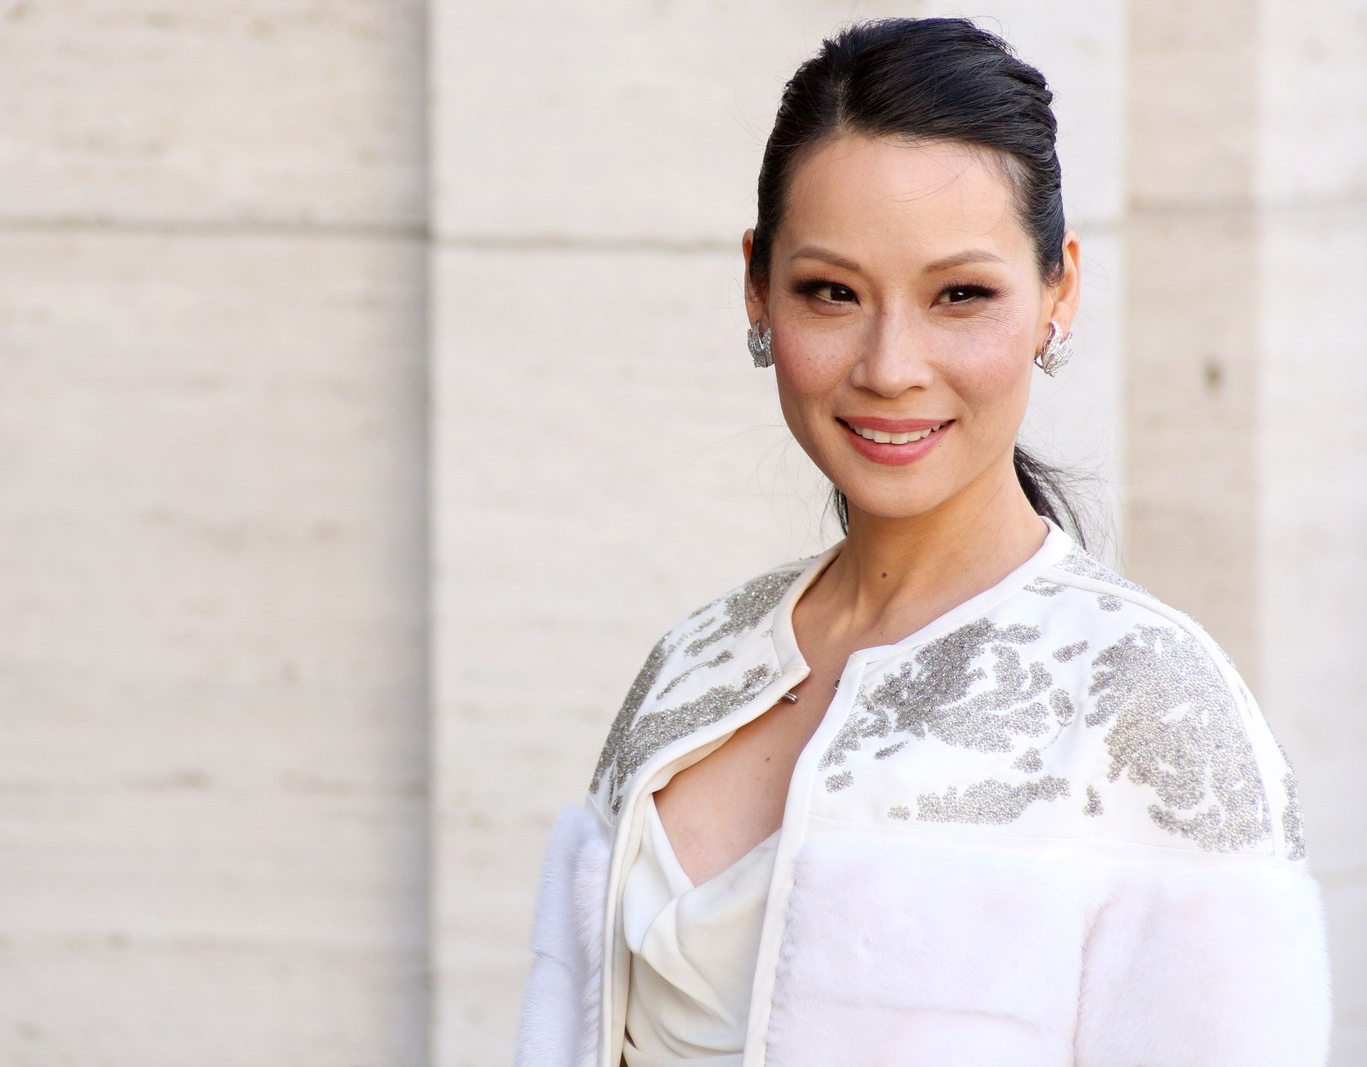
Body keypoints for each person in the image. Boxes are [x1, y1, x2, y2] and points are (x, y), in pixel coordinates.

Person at [512, 16, 1332, 1067]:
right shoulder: (689, 670)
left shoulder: (1152, 712)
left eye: (960, 295)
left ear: (1057, 291)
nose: (890, 364)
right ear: (757, 287)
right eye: (831, 292)